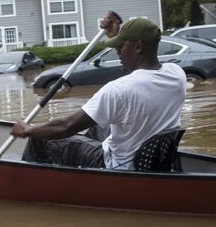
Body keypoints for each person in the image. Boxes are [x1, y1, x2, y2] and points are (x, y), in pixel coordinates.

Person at [11, 11, 186, 170]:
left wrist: (28, 129)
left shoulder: (118, 90)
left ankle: (30, 177)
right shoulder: (176, 74)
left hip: (117, 165)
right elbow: (141, 75)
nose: (117, 52)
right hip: (149, 159)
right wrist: (118, 33)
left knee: (40, 137)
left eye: (120, 46)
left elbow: (66, 127)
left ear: (138, 47)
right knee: (97, 123)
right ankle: (75, 165)